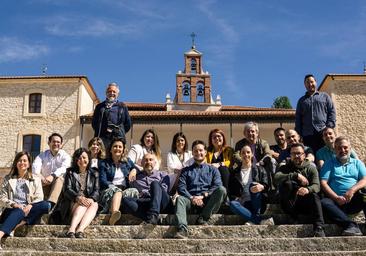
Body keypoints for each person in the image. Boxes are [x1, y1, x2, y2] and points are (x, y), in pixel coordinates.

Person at [174, 140, 226, 239]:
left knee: (222, 190)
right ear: (192, 153)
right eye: (196, 151)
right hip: (190, 201)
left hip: (207, 201)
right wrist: (192, 197)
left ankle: (203, 218)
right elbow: (181, 187)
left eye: (201, 150)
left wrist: (204, 195)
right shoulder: (186, 171)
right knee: (180, 199)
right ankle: (182, 230)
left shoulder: (213, 170)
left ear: (205, 152)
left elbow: (217, 185)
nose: (198, 153)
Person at [275, 143, 325, 237]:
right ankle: (292, 217)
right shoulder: (286, 167)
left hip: (305, 202)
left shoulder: (311, 168)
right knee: (287, 183)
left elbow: (317, 186)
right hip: (290, 204)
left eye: (299, 153)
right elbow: (276, 178)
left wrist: (308, 190)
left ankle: (319, 227)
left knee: (314, 195)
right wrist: (295, 176)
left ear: (304, 155)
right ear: (290, 155)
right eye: (293, 154)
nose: (296, 156)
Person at [0, 152, 49, 247]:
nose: (22, 162)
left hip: (28, 210)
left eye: (24, 160)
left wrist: (30, 206)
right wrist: (14, 204)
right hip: (11, 210)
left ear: (29, 163)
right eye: (19, 160)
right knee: (18, 211)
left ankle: (13, 227)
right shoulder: (8, 178)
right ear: (16, 163)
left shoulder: (36, 179)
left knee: (45, 205)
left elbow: (39, 197)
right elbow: (2, 197)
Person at [320, 136, 366, 236]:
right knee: (324, 202)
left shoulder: (357, 163)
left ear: (350, 148)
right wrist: (336, 198)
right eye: (339, 148)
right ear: (335, 149)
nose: (343, 150)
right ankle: (351, 226)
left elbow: (364, 179)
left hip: (354, 200)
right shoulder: (329, 163)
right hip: (336, 203)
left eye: (345, 147)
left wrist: (352, 190)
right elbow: (323, 183)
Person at [57, 148, 99, 238]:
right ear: (76, 160)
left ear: (89, 159)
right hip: (72, 203)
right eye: (79, 158)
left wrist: (91, 199)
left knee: (95, 204)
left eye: (84, 158)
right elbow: (67, 190)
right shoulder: (70, 172)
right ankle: (71, 229)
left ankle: (80, 230)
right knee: (83, 204)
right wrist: (77, 197)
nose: (82, 160)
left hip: (87, 204)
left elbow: (96, 190)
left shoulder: (94, 173)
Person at [123, 153, 173, 224]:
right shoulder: (136, 177)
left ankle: (153, 214)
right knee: (126, 200)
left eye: (151, 160)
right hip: (147, 202)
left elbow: (164, 190)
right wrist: (134, 169)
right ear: (142, 163)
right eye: (146, 160)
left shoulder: (163, 175)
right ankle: (153, 219)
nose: (148, 162)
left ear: (155, 163)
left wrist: (147, 191)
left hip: (162, 203)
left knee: (155, 183)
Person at [99, 138, 139, 225]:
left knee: (134, 191)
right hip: (109, 191)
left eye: (120, 147)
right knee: (117, 192)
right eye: (115, 146)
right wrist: (114, 187)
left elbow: (136, 169)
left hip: (124, 190)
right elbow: (102, 180)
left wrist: (134, 170)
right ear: (110, 149)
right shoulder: (104, 163)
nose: (118, 148)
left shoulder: (127, 162)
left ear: (123, 149)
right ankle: (114, 213)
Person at [229, 144, 272, 225]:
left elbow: (267, 186)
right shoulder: (234, 173)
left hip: (257, 202)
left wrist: (262, 187)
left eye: (248, 152)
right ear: (240, 155)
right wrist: (236, 198)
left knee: (253, 185)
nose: (246, 155)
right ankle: (258, 220)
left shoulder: (260, 169)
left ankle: (253, 218)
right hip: (244, 204)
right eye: (243, 153)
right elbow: (231, 191)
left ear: (252, 154)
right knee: (232, 204)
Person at [295, 74, 336, 154]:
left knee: (326, 154)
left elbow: (332, 112)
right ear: (305, 85)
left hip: (323, 133)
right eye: (307, 83)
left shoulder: (325, 96)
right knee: (310, 156)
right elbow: (298, 118)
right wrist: (299, 134)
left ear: (315, 82)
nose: (310, 84)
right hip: (307, 135)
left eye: (312, 82)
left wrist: (329, 127)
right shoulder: (301, 101)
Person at [32, 132, 71, 210]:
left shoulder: (65, 156)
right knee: (35, 178)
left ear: (61, 144)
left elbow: (64, 168)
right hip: (44, 183)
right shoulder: (42, 155)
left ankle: (50, 204)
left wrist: (52, 176)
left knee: (60, 179)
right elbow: (35, 168)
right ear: (49, 143)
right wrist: (42, 178)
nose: (56, 144)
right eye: (53, 141)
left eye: (58, 142)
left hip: (59, 186)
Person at [92, 82, 131, 149]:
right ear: (106, 93)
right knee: (102, 157)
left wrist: (120, 131)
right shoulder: (99, 107)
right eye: (109, 91)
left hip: (118, 138)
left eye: (114, 92)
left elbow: (127, 124)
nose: (112, 93)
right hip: (102, 138)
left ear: (117, 94)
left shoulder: (122, 106)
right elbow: (94, 123)